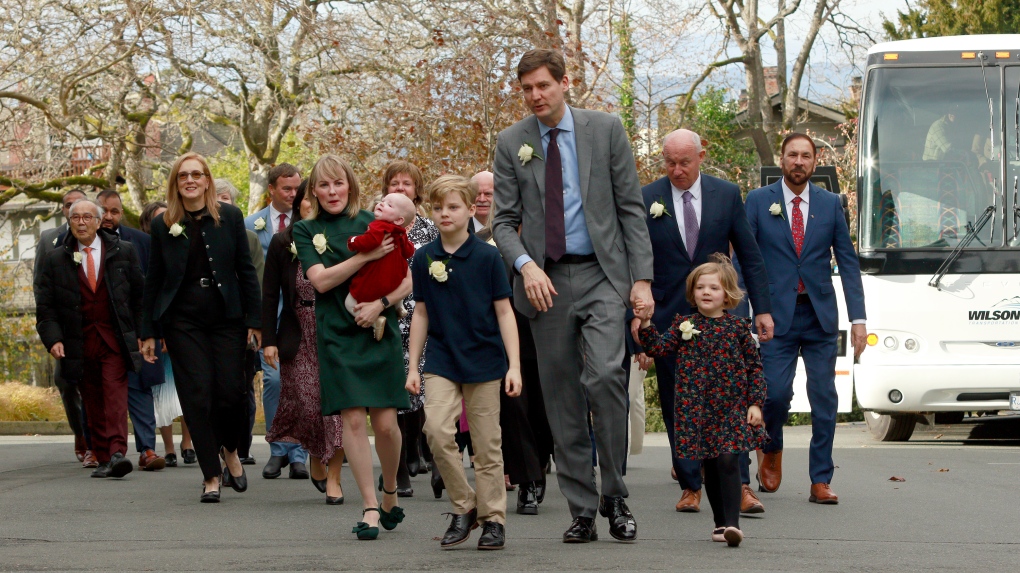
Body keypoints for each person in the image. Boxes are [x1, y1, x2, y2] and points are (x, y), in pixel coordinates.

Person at [491, 48, 653, 543]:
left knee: (605, 376)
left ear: (565, 83)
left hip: (604, 275)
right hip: (546, 284)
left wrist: (641, 279)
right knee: (561, 397)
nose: (535, 96)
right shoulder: (511, 142)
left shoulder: (605, 129)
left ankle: (616, 495)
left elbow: (630, 209)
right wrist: (526, 265)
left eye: (543, 85)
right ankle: (582, 508)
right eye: (526, 89)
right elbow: (501, 222)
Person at [633, 129, 772, 515]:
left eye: (684, 162)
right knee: (679, 403)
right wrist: (638, 321)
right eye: (669, 162)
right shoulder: (647, 198)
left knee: (732, 400)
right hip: (669, 318)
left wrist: (761, 308)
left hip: (723, 319)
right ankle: (691, 484)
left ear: (701, 156)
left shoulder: (725, 194)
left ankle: (740, 484)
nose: (676, 170)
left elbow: (749, 253)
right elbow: (636, 258)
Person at [292, 154, 411, 539]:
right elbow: (321, 283)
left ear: (350, 185)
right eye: (323, 185)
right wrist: (366, 256)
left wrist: (381, 304)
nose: (332, 192)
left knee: (387, 425)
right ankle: (370, 506)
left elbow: (408, 281)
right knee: (354, 422)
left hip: (378, 329)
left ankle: (390, 489)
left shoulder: (374, 220)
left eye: (338, 183)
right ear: (314, 190)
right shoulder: (306, 230)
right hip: (336, 334)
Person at [745, 133, 868, 504]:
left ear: (815, 162)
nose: (798, 162)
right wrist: (745, 311)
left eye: (806, 156)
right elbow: (745, 260)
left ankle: (820, 479)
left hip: (818, 315)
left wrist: (859, 318)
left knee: (824, 397)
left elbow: (847, 262)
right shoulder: (757, 201)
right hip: (773, 318)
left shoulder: (831, 204)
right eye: (792, 155)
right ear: (781, 160)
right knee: (776, 395)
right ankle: (772, 448)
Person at [406, 174, 522, 550]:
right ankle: (464, 505)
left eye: (453, 207)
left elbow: (505, 313)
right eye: (438, 208)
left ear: (471, 210)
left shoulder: (488, 257)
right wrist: (413, 368)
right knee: (437, 431)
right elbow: (420, 312)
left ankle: (493, 520)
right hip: (441, 359)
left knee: (487, 446)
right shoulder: (424, 257)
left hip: (485, 360)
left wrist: (514, 365)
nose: (445, 214)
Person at [140, 152, 262, 503]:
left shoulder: (231, 217)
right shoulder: (164, 224)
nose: (190, 180)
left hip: (227, 319)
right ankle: (210, 473)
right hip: (182, 321)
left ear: (207, 180)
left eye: (197, 174)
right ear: (176, 184)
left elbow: (246, 272)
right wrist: (149, 331)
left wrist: (255, 321)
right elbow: (155, 280)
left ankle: (230, 450)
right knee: (197, 394)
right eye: (183, 176)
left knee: (230, 393)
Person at [636, 254, 769, 548]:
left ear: (728, 295)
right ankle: (720, 523)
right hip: (697, 408)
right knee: (710, 464)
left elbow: (754, 368)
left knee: (728, 460)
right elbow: (658, 347)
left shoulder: (738, 329)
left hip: (732, 408)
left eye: (714, 288)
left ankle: (733, 524)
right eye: (700, 287)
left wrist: (755, 403)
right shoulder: (684, 324)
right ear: (692, 292)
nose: (706, 292)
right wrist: (645, 322)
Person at [34, 199, 145, 479]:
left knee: (114, 393)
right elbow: (45, 306)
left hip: (114, 338)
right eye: (75, 218)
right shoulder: (56, 258)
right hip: (78, 341)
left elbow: (139, 297)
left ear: (98, 222)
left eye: (87, 217)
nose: (81, 223)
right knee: (92, 399)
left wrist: (145, 334)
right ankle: (105, 457)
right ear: (69, 222)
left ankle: (118, 451)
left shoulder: (123, 251)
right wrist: (53, 339)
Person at [262, 181, 346, 504]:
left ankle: (336, 477)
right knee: (310, 407)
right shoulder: (284, 241)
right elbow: (269, 296)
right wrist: (268, 340)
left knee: (338, 408)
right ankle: (314, 454)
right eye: (308, 198)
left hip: (334, 330)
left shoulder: (338, 237)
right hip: (298, 332)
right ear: (300, 204)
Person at [244, 163, 309, 480]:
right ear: (271, 189)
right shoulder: (250, 224)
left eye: (297, 188)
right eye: (287, 188)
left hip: (301, 316)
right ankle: (278, 449)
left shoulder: (309, 226)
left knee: (300, 383)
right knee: (273, 381)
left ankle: (299, 454)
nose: (293, 194)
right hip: (268, 317)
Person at [96, 189, 165, 472]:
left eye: (115, 211)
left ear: (122, 213)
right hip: (100, 330)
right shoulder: (78, 245)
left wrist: (153, 330)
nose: (109, 217)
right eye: (104, 211)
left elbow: (153, 287)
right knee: (103, 393)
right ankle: (104, 451)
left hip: (135, 329)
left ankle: (147, 449)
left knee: (140, 387)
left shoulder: (141, 241)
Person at [380, 160, 437, 496]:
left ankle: (428, 454)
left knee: (424, 393)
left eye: (407, 184)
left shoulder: (431, 230)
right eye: (394, 184)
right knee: (395, 396)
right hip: (388, 320)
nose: (400, 189)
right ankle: (398, 469)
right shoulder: (375, 227)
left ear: (416, 191)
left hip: (424, 320)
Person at [34, 188, 91, 467]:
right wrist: (49, 331)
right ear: (62, 210)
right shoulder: (48, 239)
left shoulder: (99, 234)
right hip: (64, 328)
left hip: (94, 324)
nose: (73, 210)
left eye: (78, 205)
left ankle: (96, 442)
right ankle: (80, 434)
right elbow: (40, 288)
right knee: (66, 383)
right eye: (68, 206)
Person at [139, 201, 196, 468]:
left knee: (186, 387)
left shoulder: (184, 247)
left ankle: (188, 441)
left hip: (183, 328)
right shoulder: (144, 252)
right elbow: (149, 297)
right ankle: (169, 447)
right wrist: (155, 334)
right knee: (160, 391)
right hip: (158, 331)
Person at [217, 179, 265, 466]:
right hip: (207, 325)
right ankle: (216, 453)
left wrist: (255, 324)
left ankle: (238, 447)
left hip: (241, 326)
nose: (221, 204)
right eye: (216, 198)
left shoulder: (248, 237)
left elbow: (255, 281)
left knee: (240, 389)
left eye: (226, 199)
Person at [345, 192, 416, 340]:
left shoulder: (379, 226)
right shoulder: (401, 232)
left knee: (349, 303)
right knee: (396, 285)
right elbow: (409, 251)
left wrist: (353, 241)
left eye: (389, 205)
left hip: (378, 277)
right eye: (383, 201)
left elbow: (369, 242)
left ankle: (375, 322)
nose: (382, 204)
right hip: (397, 277)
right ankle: (399, 306)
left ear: (399, 219)